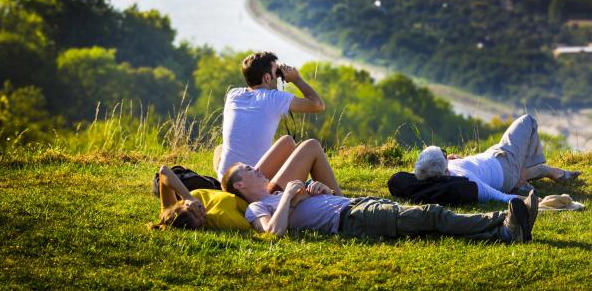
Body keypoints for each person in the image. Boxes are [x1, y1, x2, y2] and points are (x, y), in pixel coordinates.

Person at [222, 163, 539, 243]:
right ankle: (507, 223)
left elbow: (319, 202)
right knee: (429, 215)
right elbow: (273, 232)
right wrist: (290, 195)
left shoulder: (277, 195)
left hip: (354, 204)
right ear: (239, 185)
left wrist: (320, 189)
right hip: (353, 219)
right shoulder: (257, 207)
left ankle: (509, 227)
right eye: (250, 170)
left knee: (426, 222)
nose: (259, 169)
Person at [157, 139, 341, 229]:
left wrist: (188, 197)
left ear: (181, 207)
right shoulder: (214, 222)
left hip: (245, 188)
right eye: (201, 218)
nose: (202, 213)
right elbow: (264, 227)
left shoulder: (169, 209)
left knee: (287, 141)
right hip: (261, 199)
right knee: (311, 147)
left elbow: (164, 171)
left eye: (196, 212)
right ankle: (341, 202)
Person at [414, 114, 581, 203]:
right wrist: (537, 201)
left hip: (495, 158)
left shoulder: (433, 172)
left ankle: (552, 172)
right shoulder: (465, 181)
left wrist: (456, 160)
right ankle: (521, 180)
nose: (447, 154)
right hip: (505, 166)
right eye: (444, 154)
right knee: (527, 121)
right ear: (443, 170)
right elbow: (498, 196)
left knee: (524, 164)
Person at [215, 51, 325, 180]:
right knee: (292, 143)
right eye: (277, 72)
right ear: (267, 78)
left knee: (219, 149)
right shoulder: (273, 98)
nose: (279, 76)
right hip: (253, 179)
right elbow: (318, 105)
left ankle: (225, 179)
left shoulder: (233, 95)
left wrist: (276, 72)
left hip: (225, 179)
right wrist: (296, 79)